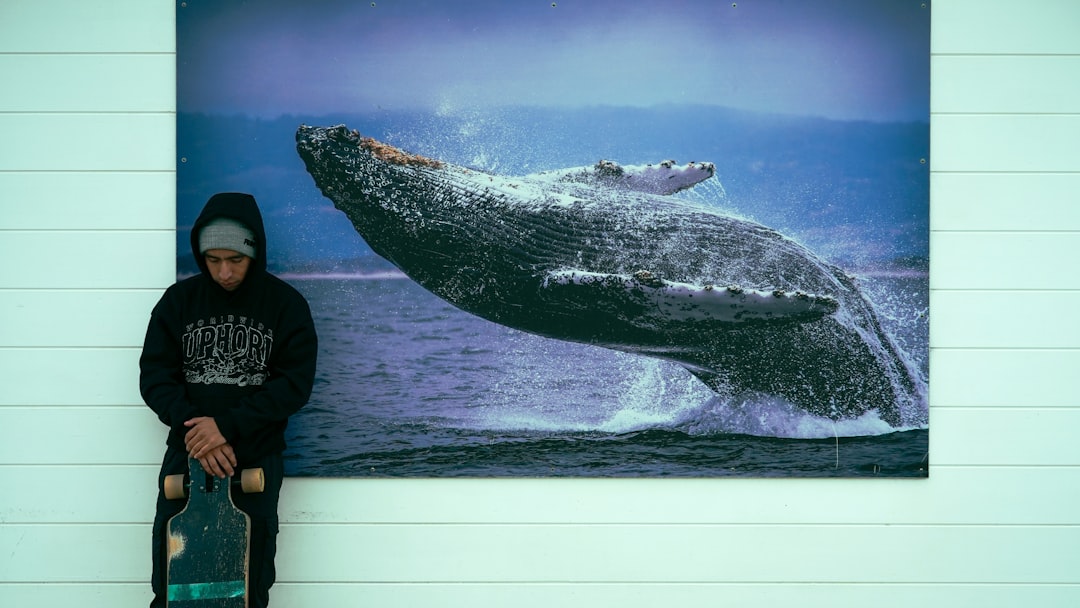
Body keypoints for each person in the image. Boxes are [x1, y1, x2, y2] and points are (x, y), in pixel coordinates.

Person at [140, 192, 318, 607]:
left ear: (254, 252)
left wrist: (225, 427)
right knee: (171, 580)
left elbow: (293, 385)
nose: (223, 272)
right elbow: (155, 378)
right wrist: (199, 431)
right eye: (213, 260)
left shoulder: (285, 305)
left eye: (235, 260)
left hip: (255, 457)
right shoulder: (177, 302)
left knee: (248, 585)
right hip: (186, 455)